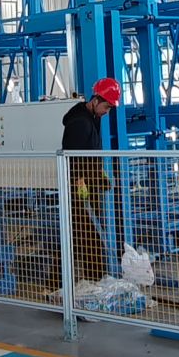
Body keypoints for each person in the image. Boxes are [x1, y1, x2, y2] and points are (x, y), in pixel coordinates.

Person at [60, 78, 119, 282]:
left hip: (90, 185)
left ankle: (96, 279)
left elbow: (91, 149)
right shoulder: (79, 123)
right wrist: (79, 182)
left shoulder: (94, 118)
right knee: (88, 235)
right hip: (80, 189)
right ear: (95, 101)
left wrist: (99, 172)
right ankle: (94, 280)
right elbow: (72, 157)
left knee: (92, 234)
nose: (107, 112)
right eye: (106, 107)